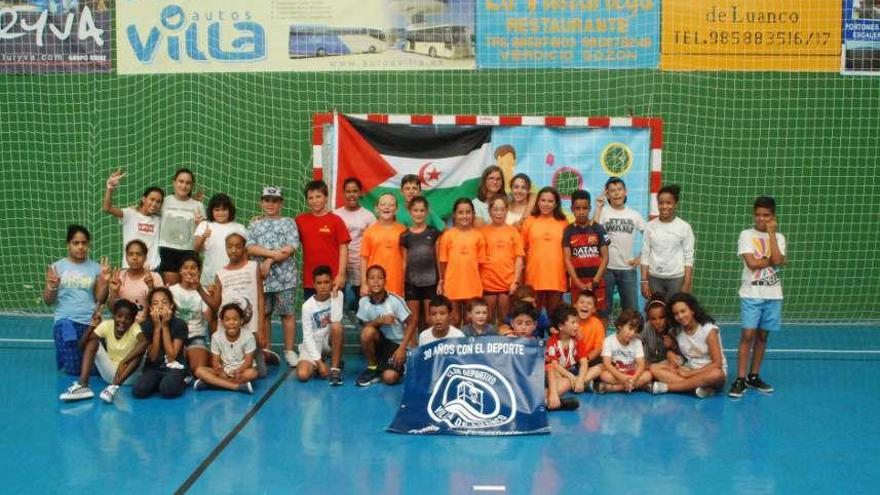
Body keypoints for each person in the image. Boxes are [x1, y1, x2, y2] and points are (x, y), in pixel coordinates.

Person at [729, 196, 786, 398]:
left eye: (766, 216)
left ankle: (754, 376)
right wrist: (769, 260)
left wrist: (771, 233)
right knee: (748, 336)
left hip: (773, 295)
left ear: (773, 217)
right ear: (754, 215)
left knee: (763, 337)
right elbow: (752, 263)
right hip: (751, 293)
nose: (761, 219)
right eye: (758, 215)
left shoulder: (779, 237)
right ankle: (740, 379)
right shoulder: (746, 234)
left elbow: (778, 260)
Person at [44, 225, 110, 376]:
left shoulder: (96, 268)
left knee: (96, 371)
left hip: (90, 322)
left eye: (84, 243)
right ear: (68, 244)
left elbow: (100, 299)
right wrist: (52, 286)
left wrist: (105, 282)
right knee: (74, 370)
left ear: (88, 244)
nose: (80, 247)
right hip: (66, 321)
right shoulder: (56, 267)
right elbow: (48, 301)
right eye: (76, 243)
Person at [201, 232, 267, 377]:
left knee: (261, 373)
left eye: (238, 246)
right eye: (229, 246)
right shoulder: (220, 273)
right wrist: (199, 288)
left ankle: (263, 356)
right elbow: (215, 304)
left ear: (244, 248)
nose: (233, 250)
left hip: (251, 326)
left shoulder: (253, 266)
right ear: (226, 248)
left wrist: (261, 329)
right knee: (228, 369)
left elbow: (261, 299)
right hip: (229, 325)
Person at [246, 186, 298, 366]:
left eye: (274, 200)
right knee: (264, 314)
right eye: (267, 200)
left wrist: (268, 261)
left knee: (287, 313)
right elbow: (250, 247)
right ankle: (266, 349)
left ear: (281, 203)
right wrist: (272, 254)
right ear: (261, 202)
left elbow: (290, 247)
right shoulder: (254, 224)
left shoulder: (289, 222)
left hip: (285, 278)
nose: (270, 204)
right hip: (262, 279)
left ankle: (290, 351)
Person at [59, 299, 147, 404]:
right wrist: (92, 326)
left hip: (130, 376)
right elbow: (81, 346)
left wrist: (124, 361)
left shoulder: (135, 328)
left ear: (133, 321)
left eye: (128, 319)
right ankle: (83, 385)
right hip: (110, 375)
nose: (122, 321)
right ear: (113, 316)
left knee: (141, 349)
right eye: (119, 316)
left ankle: (114, 387)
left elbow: (144, 342)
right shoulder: (107, 325)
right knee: (92, 342)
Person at [650, 293, 727, 399]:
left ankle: (668, 387)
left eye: (683, 311)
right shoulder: (676, 331)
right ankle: (697, 389)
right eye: (676, 314)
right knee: (654, 368)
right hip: (689, 368)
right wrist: (669, 352)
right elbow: (677, 352)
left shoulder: (709, 330)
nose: (680, 316)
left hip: (708, 372)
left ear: (692, 310)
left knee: (717, 374)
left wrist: (690, 374)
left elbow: (717, 364)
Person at [355, 265, 414, 387]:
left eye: (380, 278)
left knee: (389, 378)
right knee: (367, 332)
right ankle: (373, 367)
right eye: (372, 278)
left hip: (396, 346)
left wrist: (402, 348)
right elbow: (365, 326)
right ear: (366, 281)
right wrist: (379, 321)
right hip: (380, 344)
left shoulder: (395, 301)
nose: (376, 281)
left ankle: (389, 367)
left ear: (385, 281)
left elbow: (412, 322)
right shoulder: (363, 302)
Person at [594, 177, 645, 313]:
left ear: (625, 192)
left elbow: (650, 237)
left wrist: (641, 257)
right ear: (607, 194)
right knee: (603, 310)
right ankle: (601, 335)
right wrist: (599, 207)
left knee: (631, 311)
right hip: (606, 269)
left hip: (627, 269)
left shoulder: (635, 215)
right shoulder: (603, 212)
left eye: (619, 189)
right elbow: (593, 233)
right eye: (612, 191)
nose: (616, 193)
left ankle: (632, 335)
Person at [295, 180, 350, 299]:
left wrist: (340, 275)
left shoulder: (336, 220)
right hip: (311, 281)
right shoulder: (300, 220)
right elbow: (288, 240)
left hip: (333, 280)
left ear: (326, 197)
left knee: (335, 316)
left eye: (318, 196)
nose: (315, 200)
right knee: (312, 316)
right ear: (307, 200)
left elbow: (344, 248)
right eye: (311, 198)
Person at [438, 198, 487, 326]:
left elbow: (481, 265)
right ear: (454, 215)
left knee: (470, 323)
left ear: (473, 214)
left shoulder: (478, 236)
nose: (464, 216)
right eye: (460, 212)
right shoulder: (447, 236)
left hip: (473, 287)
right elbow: (443, 263)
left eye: (468, 212)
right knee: (454, 321)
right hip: (452, 287)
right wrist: (443, 282)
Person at [132, 287, 188, 399]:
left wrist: (165, 326)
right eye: (155, 303)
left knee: (168, 390)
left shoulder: (180, 324)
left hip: (174, 366)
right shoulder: (146, 325)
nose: (160, 306)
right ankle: (160, 381)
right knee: (139, 391)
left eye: (164, 302)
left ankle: (184, 380)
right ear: (151, 308)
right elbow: (153, 357)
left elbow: (172, 357)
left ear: (171, 305)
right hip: (153, 367)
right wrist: (157, 327)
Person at [641, 184, 695, 299]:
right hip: (654, 278)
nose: (664, 206)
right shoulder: (649, 226)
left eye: (669, 203)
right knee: (657, 314)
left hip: (676, 279)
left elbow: (689, 257)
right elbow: (645, 254)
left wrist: (686, 283)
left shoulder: (684, 227)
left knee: (673, 313)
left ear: (676, 204)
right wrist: (644, 281)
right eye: (661, 203)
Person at [102, 169, 164, 269]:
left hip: (152, 269)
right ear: (144, 199)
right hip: (130, 267)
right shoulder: (129, 213)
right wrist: (110, 188)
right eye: (152, 199)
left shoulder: (159, 219)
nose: (154, 204)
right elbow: (107, 208)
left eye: (158, 202)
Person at [563, 190, 610, 320]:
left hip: (597, 283)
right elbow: (567, 260)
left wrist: (595, 281)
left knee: (600, 314)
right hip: (578, 284)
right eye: (578, 208)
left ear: (590, 208)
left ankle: (600, 339)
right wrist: (577, 283)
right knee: (577, 316)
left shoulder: (598, 229)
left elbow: (605, 258)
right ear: (572, 209)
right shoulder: (568, 231)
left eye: (585, 208)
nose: (581, 211)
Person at [521, 186, 568, 315]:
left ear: (556, 203)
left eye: (550, 201)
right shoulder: (529, 221)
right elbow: (522, 251)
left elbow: (567, 252)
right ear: (538, 201)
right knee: (531, 317)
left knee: (554, 319)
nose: (546, 204)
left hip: (556, 278)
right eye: (543, 200)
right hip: (534, 277)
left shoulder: (563, 222)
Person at [400, 196, 441, 338]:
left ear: (427, 212)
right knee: (413, 320)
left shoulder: (433, 233)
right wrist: (402, 284)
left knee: (430, 319)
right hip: (411, 283)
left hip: (431, 282)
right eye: (415, 210)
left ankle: (429, 345)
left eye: (422, 210)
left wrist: (440, 281)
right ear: (410, 212)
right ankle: (412, 349)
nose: (419, 213)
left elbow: (438, 259)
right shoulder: (405, 235)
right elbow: (404, 262)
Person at [193, 303, 257, 394]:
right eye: (227, 319)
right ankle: (237, 386)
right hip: (224, 371)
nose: (231, 323)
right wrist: (220, 371)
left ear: (241, 321)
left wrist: (239, 370)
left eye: (235, 319)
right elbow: (215, 361)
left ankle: (212, 383)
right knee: (199, 371)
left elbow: (248, 361)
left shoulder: (249, 336)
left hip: (241, 371)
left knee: (252, 373)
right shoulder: (216, 336)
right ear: (222, 322)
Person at [333, 177, 376, 311]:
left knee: (363, 303)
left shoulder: (368, 216)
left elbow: (373, 243)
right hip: (340, 265)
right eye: (348, 191)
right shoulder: (336, 214)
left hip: (360, 265)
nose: (351, 194)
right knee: (337, 303)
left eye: (355, 191)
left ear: (360, 193)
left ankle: (364, 329)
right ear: (343, 193)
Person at [480, 194, 524, 324]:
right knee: (487, 322)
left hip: (507, 283)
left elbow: (519, 258)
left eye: (502, 209)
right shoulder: (482, 232)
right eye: (495, 209)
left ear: (507, 210)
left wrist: (515, 282)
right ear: (489, 211)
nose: (499, 213)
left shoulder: (513, 232)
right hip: (487, 283)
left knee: (505, 321)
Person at [297, 265, 345, 385]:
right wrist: (319, 363)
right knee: (302, 375)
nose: (323, 286)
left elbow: (336, 320)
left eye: (326, 282)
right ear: (314, 284)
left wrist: (335, 297)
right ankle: (320, 362)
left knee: (336, 326)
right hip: (314, 342)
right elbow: (307, 337)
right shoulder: (307, 306)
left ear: (332, 282)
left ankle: (334, 369)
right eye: (319, 283)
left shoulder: (338, 296)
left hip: (329, 340)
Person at [157, 168, 205, 285]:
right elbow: (147, 210)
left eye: (188, 183)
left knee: (189, 289)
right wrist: (135, 208)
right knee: (171, 290)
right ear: (174, 182)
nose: (184, 186)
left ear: (192, 185)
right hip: (168, 251)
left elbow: (203, 231)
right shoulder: (164, 201)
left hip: (189, 252)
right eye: (181, 181)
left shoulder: (198, 205)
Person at [592, 309, 652, 394]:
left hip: (632, 373)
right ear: (620, 326)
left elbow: (641, 364)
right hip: (616, 374)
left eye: (635, 331)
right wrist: (622, 377)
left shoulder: (637, 342)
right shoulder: (608, 340)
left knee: (648, 375)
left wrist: (634, 378)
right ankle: (637, 386)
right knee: (604, 375)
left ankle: (614, 388)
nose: (632, 333)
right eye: (630, 328)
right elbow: (607, 363)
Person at [194, 193, 246, 288]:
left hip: (234, 278)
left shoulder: (240, 228)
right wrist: (203, 237)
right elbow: (196, 249)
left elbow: (246, 253)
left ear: (230, 210)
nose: (220, 213)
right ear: (211, 211)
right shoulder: (204, 225)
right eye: (217, 210)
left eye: (224, 209)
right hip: (210, 278)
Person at [170, 254, 212, 372]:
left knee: (197, 369)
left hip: (196, 335)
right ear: (180, 271)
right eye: (185, 267)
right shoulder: (171, 291)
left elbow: (208, 319)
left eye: (193, 268)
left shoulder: (203, 291)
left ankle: (199, 357)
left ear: (198, 272)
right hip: (176, 337)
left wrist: (209, 297)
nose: (189, 271)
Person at [361, 193, 406, 297]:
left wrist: (404, 284)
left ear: (397, 209)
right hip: (374, 284)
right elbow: (364, 259)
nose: (387, 207)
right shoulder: (369, 232)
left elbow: (405, 260)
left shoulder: (403, 231)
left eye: (391, 204)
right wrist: (364, 283)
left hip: (396, 284)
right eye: (383, 204)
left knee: (393, 313)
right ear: (376, 208)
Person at [108, 240, 163, 323]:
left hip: (145, 325)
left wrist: (151, 288)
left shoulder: (155, 277)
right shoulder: (118, 277)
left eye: (139, 254)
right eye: (130, 254)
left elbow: (159, 309)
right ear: (126, 257)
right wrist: (113, 292)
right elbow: (112, 309)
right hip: (122, 324)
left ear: (145, 257)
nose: (135, 257)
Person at [545, 304, 590, 404]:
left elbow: (584, 362)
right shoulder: (551, 342)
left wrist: (580, 379)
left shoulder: (578, 340)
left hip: (574, 372)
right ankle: (546, 398)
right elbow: (554, 365)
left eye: (577, 322)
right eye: (573, 322)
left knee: (598, 368)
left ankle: (576, 384)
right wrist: (570, 377)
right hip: (560, 374)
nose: (577, 325)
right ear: (561, 326)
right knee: (559, 377)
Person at [640, 295, 677, 368]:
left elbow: (684, 354)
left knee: (676, 360)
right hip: (648, 363)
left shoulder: (673, 329)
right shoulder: (646, 328)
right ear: (649, 319)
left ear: (667, 316)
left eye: (661, 317)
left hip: (666, 364)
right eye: (653, 319)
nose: (658, 322)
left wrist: (673, 346)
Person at [574, 291, 604, 368]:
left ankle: (585, 376)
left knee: (605, 363)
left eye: (589, 303)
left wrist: (586, 360)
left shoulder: (597, 323)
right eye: (581, 302)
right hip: (571, 360)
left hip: (589, 359)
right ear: (575, 306)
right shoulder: (569, 321)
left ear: (594, 309)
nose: (585, 305)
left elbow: (598, 348)